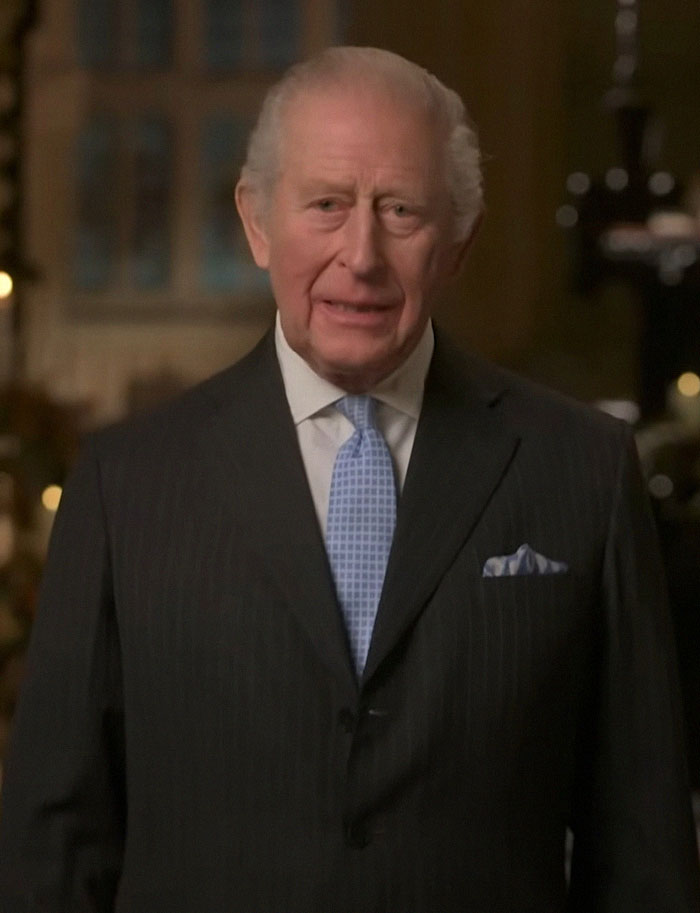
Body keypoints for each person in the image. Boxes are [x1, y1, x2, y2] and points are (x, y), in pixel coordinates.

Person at [0, 46, 698, 913]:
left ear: (459, 243)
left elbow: (643, 853)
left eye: (400, 210)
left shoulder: (583, 469)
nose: (360, 254)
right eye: (326, 205)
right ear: (257, 223)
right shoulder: (125, 484)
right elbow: (54, 851)